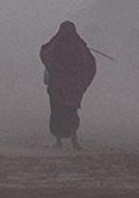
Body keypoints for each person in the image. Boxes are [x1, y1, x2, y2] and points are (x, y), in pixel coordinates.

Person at [40, 21, 97, 150]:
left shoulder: (56, 44)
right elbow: (89, 63)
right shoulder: (79, 46)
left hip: (57, 88)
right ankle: (74, 141)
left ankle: (59, 141)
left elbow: (45, 53)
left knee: (57, 113)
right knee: (71, 112)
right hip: (73, 89)